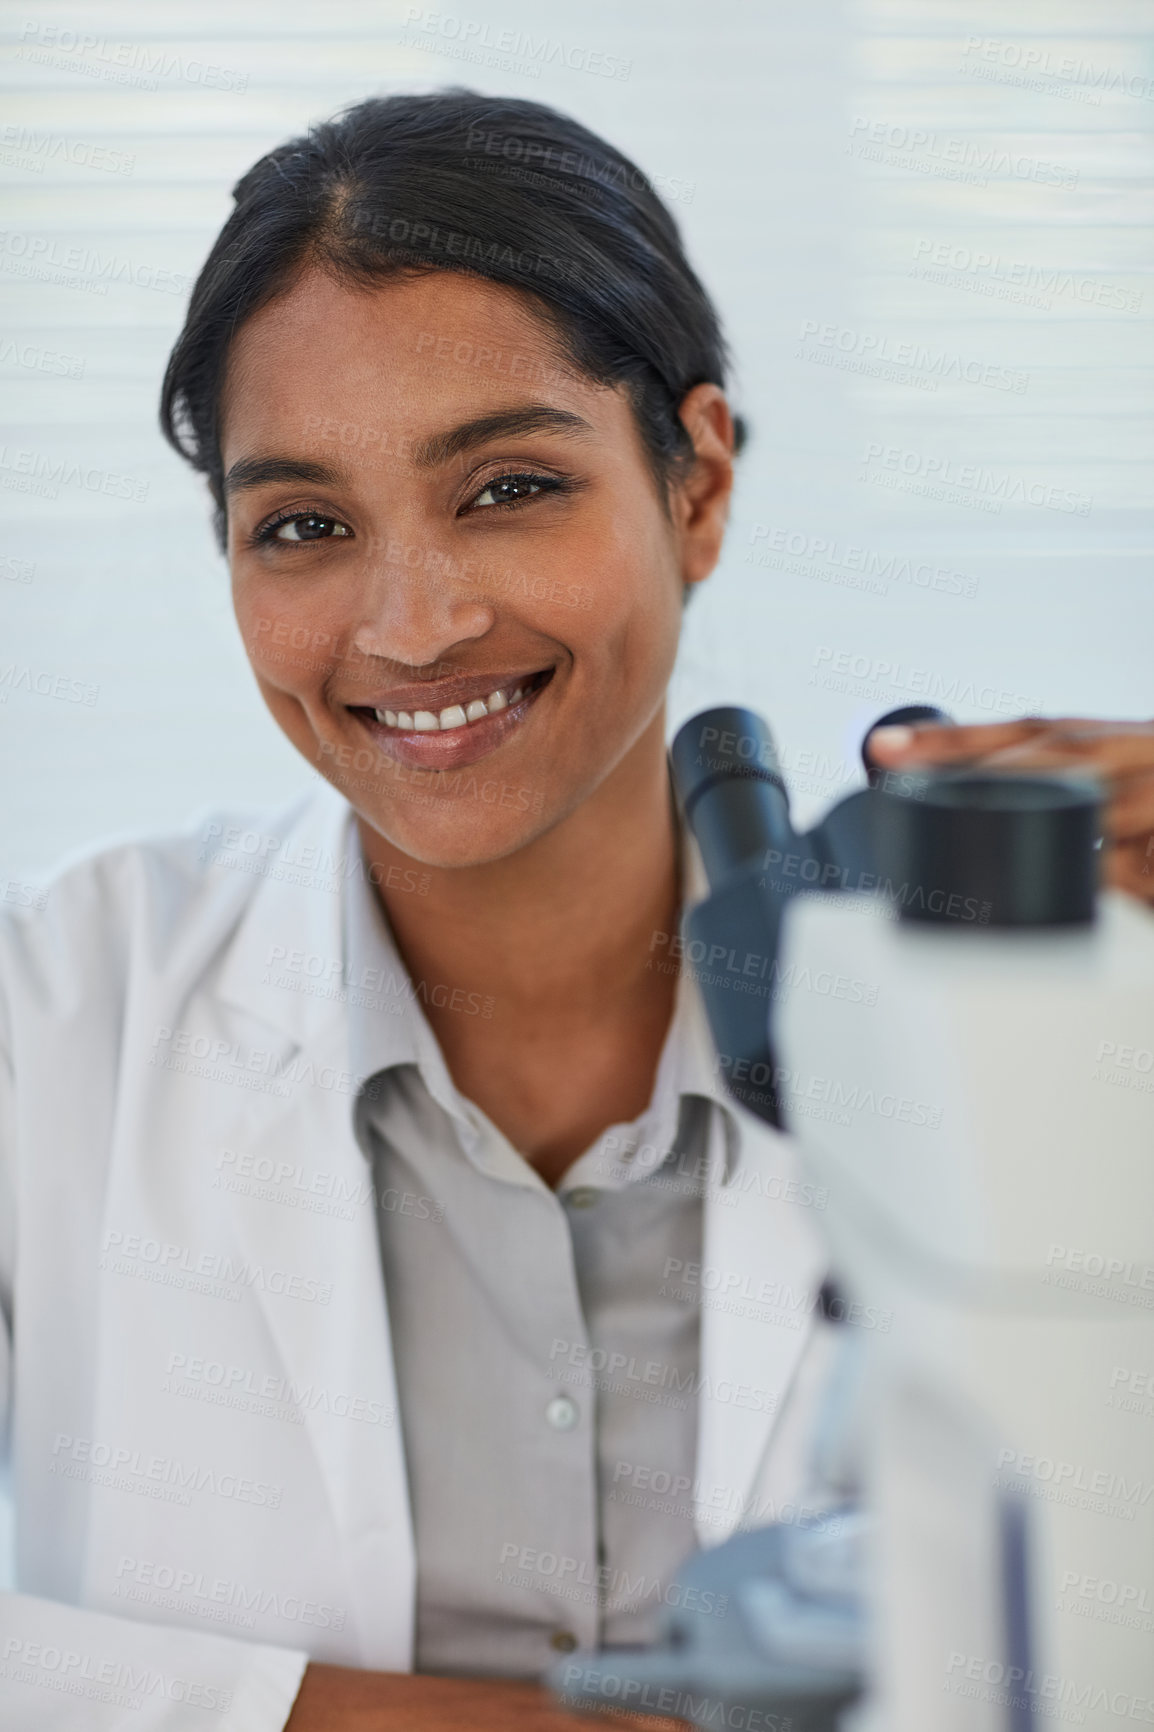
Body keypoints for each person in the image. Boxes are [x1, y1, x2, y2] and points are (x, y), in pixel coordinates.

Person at [2, 89, 1153, 1732]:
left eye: (507, 489)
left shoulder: (1046, 1010)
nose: (413, 625)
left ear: (694, 485)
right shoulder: (63, 1011)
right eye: (305, 527)